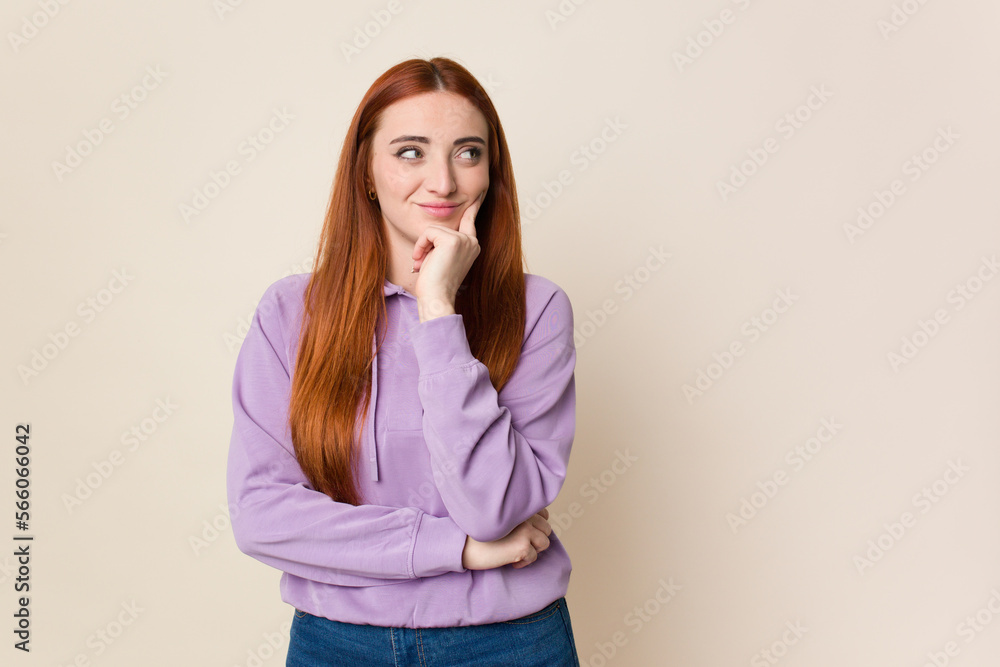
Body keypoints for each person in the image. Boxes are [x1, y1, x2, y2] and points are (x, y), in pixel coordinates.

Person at [226, 56, 580, 666]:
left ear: (491, 172)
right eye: (411, 152)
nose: (443, 181)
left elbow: (492, 508)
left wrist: (437, 309)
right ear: (366, 172)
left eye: (468, 153)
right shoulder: (289, 313)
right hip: (337, 644)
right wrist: (457, 549)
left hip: (510, 643)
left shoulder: (537, 309)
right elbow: (260, 515)